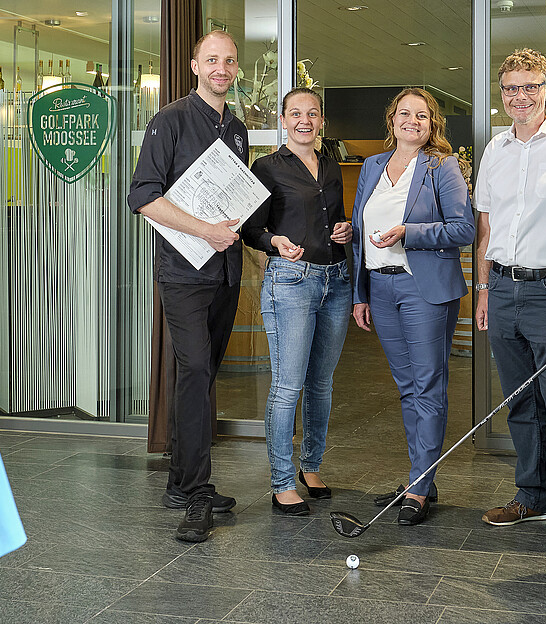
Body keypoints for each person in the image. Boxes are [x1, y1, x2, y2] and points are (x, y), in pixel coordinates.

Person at [127, 30, 249, 543]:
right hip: (183, 271)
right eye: (212, 59)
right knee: (195, 368)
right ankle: (196, 495)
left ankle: (181, 481)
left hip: (225, 272)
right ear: (195, 65)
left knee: (199, 377)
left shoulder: (238, 128)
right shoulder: (169, 120)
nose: (221, 68)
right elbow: (141, 198)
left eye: (230, 61)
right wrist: (204, 231)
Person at [472, 49, 546, 546]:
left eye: (530, 87)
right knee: (520, 400)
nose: (519, 96)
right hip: (502, 288)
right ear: (501, 95)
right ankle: (532, 495)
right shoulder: (494, 150)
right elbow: (486, 226)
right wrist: (482, 291)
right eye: (510, 89)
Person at [351, 87, 475, 526]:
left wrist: (410, 232)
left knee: (427, 387)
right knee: (407, 388)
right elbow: (358, 227)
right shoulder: (371, 166)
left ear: (432, 123)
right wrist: (360, 293)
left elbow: (464, 228)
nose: (412, 121)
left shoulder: (442, 167)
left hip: (424, 291)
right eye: (405, 114)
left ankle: (419, 487)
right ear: (392, 120)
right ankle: (421, 477)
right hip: (381, 290)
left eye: (421, 116)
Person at [242, 88, 352, 516]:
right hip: (291, 281)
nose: (304, 120)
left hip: (336, 280)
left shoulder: (329, 166)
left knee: (321, 383)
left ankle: (311, 466)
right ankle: (282, 482)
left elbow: (334, 219)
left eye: (312, 114)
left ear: (322, 120)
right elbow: (251, 228)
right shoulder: (266, 167)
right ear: (283, 119)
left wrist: (343, 230)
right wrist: (273, 241)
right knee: (288, 386)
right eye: (295, 114)